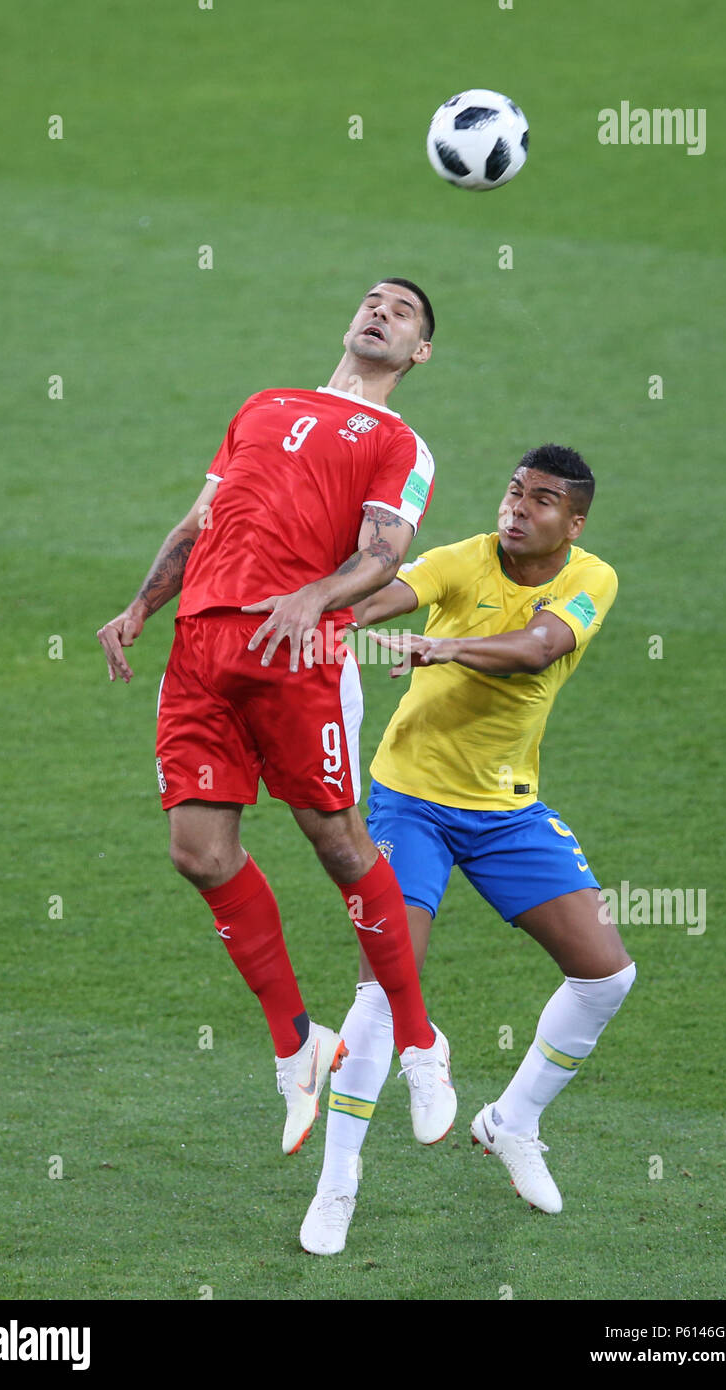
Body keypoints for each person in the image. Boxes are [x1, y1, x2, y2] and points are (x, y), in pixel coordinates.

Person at [96, 280, 457, 1159]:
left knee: (337, 844)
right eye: (372, 300)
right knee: (198, 853)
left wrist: (313, 597)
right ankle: (298, 1044)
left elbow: (381, 554)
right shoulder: (263, 404)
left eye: (401, 312)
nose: (380, 311)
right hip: (200, 649)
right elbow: (201, 517)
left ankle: (419, 1039)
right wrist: (142, 605)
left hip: (299, 656)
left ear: (418, 354)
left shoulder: (398, 441)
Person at [300, 443, 635, 1255]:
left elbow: (539, 649)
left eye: (542, 500)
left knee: (606, 976)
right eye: (514, 492)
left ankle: (511, 1121)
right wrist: (335, 613)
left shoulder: (591, 580)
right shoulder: (462, 560)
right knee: (384, 986)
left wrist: (440, 648)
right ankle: (337, 1184)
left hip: (507, 811)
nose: (518, 507)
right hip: (410, 803)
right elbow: (394, 593)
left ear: (574, 521)